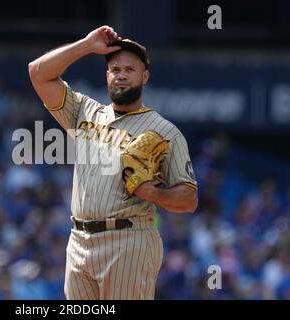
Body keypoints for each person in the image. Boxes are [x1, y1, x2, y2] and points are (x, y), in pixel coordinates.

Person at [28, 26, 198, 299]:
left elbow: (189, 200)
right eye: (116, 69)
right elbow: (38, 73)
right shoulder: (83, 111)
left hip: (129, 240)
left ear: (145, 77)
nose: (121, 75)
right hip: (79, 240)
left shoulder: (165, 131)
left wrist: (151, 192)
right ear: (107, 76)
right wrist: (84, 45)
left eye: (129, 70)